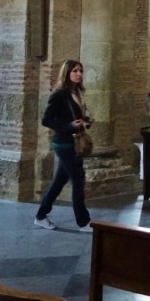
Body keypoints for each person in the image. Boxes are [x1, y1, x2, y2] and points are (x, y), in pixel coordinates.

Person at [35, 60, 93, 232]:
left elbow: (75, 115)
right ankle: (83, 221)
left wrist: (86, 121)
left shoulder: (76, 92)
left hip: (74, 142)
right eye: (75, 71)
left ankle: (40, 215)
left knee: (60, 181)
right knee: (78, 179)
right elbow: (47, 120)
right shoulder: (60, 94)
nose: (79, 74)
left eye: (81, 70)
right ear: (67, 73)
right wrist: (69, 126)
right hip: (64, 143)